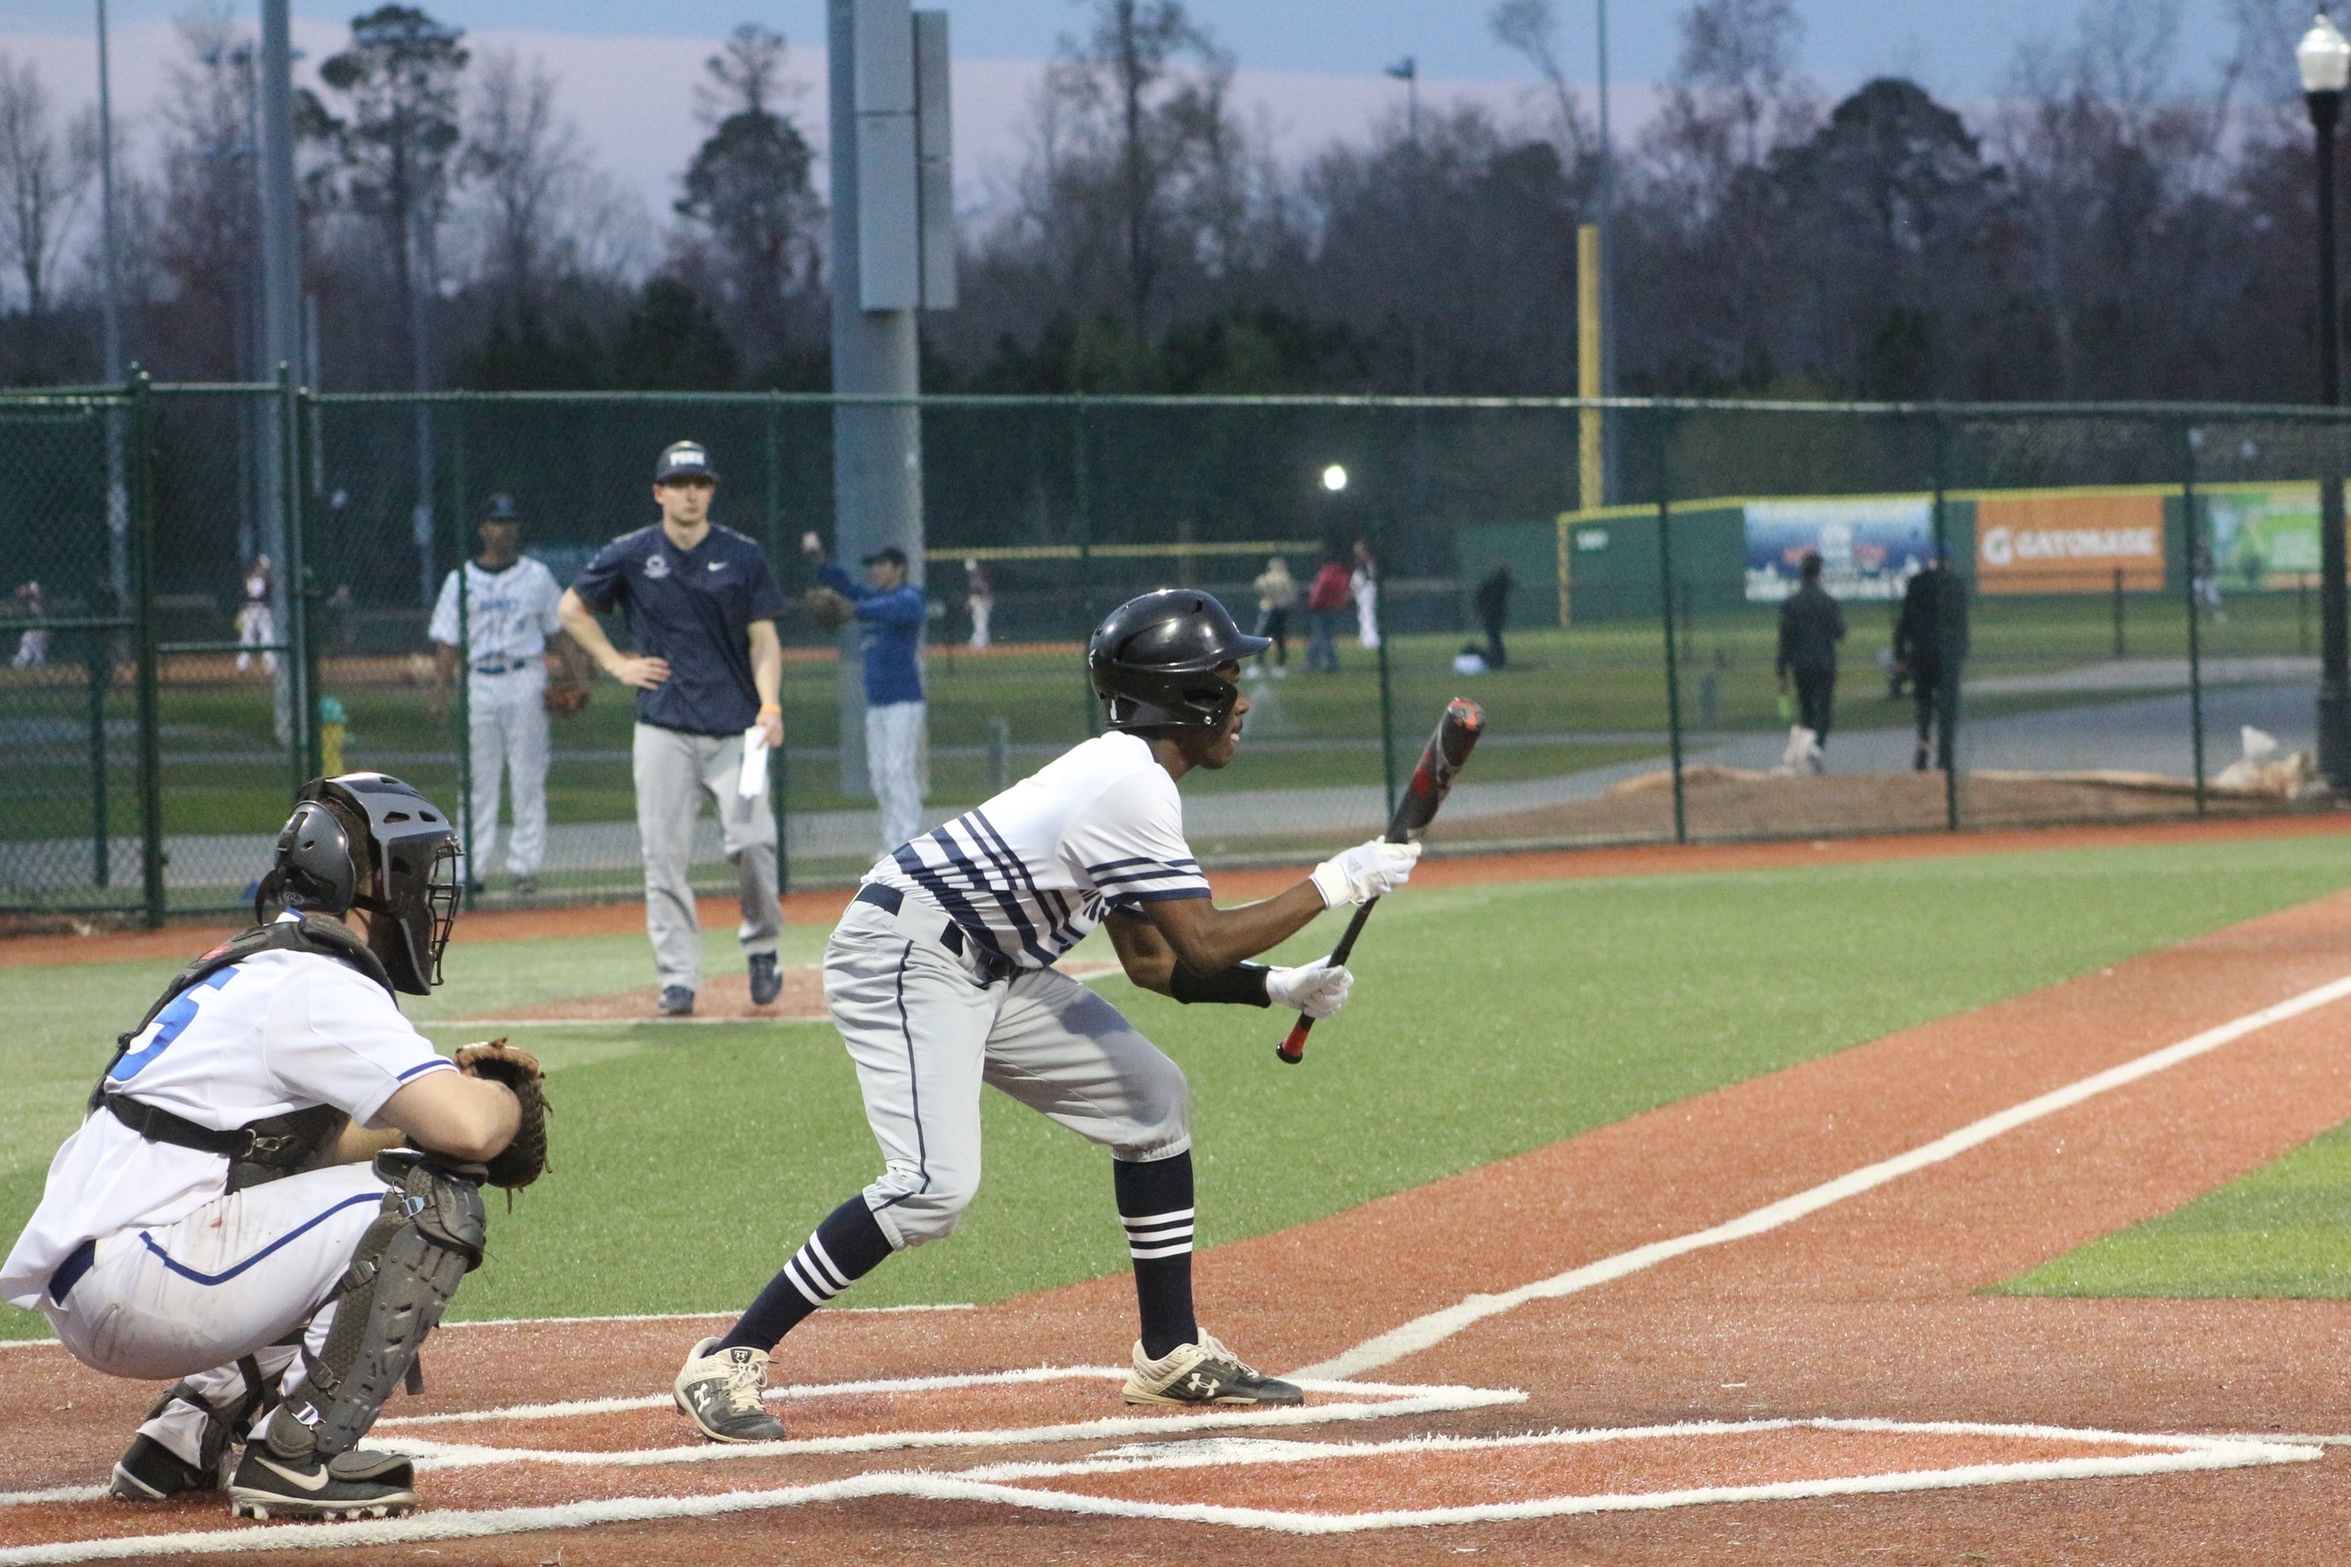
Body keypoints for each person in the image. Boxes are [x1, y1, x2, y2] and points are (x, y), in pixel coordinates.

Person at [670, 589, 1417, 1440]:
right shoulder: (1129, 786)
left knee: (1153, 1100)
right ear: (1185, 695)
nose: (1238, 696)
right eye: (1225, 676)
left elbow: (1152, 962)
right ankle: (728, 1356)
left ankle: (1168, 1353)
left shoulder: (1128, 775)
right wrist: (1333, 883)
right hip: (910, 953)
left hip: (989, 967)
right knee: (931, 1188)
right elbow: (1203, 943)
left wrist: (1275, 986)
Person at [0, 773, 548, 1522]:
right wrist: (495, 1092)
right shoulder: (317, 981)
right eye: (419, 875)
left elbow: (314, 1151)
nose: (428, 899)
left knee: (344, 1184)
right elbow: (471, 1130)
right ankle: (300, 1454)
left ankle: (184, 1435)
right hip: (146, 1278)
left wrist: (436, 1110)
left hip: (113, 1274)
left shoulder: (257, 964)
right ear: (375, 884)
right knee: (425, 1199)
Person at [559, 441, 787, 1018]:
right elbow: (571, 609)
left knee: (755, 842)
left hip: (744, 730)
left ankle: (762, 948)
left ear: (711, 491)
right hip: (662, 727)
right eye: (679, 483)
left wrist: (771, 705)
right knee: (664, 856)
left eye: (700, 483)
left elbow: (764, 638)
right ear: (659, 492)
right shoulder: (631, 553)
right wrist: (615, 664)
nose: (691, 493)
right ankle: (679, 977)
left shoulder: (743, 554)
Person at [429, 495, 583, 896]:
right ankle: (471, 870)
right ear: (481, 528)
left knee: (529, 776)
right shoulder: (459, 580)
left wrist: (578, 677)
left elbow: (558, 632)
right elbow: (446, 644)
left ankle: (525, 867)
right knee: (477, 779)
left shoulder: (536, 576)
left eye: (510, 521)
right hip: (479, 681)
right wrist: (441, 694)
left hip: (525, 678)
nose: (503, 529)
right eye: (495, 522)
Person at [806, 536, 929, 855]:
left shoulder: (909, 598)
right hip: (877, 703)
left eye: (881, 565)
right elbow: (844, 587)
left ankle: (908, 842)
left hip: (904, 700)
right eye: (872, 565)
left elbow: (879, 607)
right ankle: (892, 843)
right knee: (879, 775)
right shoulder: (871, 599)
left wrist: (854, 608)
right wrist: (820, 561)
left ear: (899, 568)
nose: (875, 571)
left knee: (897, 770)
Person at [1894, 552, 1970, 772]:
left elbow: (1905, 620)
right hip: (1947, 654)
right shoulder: (1956, 585)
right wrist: (1962, 651)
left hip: (1922, 653)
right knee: (1947, 705)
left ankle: (1923, 750)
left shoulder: (1917, 583)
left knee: (1924, 704)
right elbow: (1961, 622)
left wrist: (1900, 653)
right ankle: (1945, 754)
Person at [1775, 551, 1845, 774]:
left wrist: (1781, 666)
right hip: (1824, 661)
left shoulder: (1790, 604)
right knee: (1824, 708)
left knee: (1806, 708)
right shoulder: (1829, 602)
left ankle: (1805, 749)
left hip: (1801, 663)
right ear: (1819, 573)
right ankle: (1817, 747)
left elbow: (1785, 638)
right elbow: (1839, 632)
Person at [1250, 556, 1297, 676]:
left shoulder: (1268, 578)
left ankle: (1262, 665)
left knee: (1264, 636)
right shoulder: (1285, 578)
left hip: (1271, 609)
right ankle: (1274, 665)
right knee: (1277, 637)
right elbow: (1292, 596)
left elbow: (1258, 588)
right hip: (1278, 610)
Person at [1305, 552, 1351, 673]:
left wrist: (1312, 603)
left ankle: (1314, 664)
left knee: (1319, 637)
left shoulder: (1325, 574)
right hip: (1334, 608)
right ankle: (1332, 663)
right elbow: (1346, 592)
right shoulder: (1343, 575)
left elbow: (1319, 591)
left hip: (1321, 608)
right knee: (1329, 637)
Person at [235, 556, 275, 675]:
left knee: (267, 639)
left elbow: (266, 596)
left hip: (263, 612)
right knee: (247, 639)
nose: (263, 570)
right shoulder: (248, 580)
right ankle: (242, 665)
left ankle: (270, 667)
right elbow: (242, 596)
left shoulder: (267, 581)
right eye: (261, 567)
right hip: (250, 612)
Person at [1473, 562, 1512, 670]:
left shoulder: (1491, 583)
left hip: (1491, 615)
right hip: (1495, 615)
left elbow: (1479, 597)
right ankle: (1498, 660)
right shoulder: (1501, 584)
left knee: (1494, 638)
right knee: (1495, 638)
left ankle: (1496, 660)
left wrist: (1481, 612)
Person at [1350, 539, 1381, 649]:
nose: (1356, 550)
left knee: (1368, 614)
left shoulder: (1365, 561)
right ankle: (1366, 638)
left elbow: (1364, 577)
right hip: (1366, 589)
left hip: (1366, 589)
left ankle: (1371, 640)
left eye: (1358, 548)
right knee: (1364, 615)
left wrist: (1354, 587)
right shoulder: (1366, 560)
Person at [10, 581, 48, 669]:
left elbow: (38, 599)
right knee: (27, 650)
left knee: (38, 652)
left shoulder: (41, 601)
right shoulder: (27, 601)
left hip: (39, 630)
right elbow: (19, 595)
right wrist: (24, 591)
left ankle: (36, 666)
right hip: (31, 630)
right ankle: (21, 663)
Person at [964, 558, 994, 650]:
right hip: (979, 601)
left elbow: (984, 590)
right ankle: (982, 641)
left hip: (983, 601)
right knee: (979, 621)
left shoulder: (978, 577)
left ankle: (980, 642)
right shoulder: (974, 577)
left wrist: (983, 600)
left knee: (980, 621)